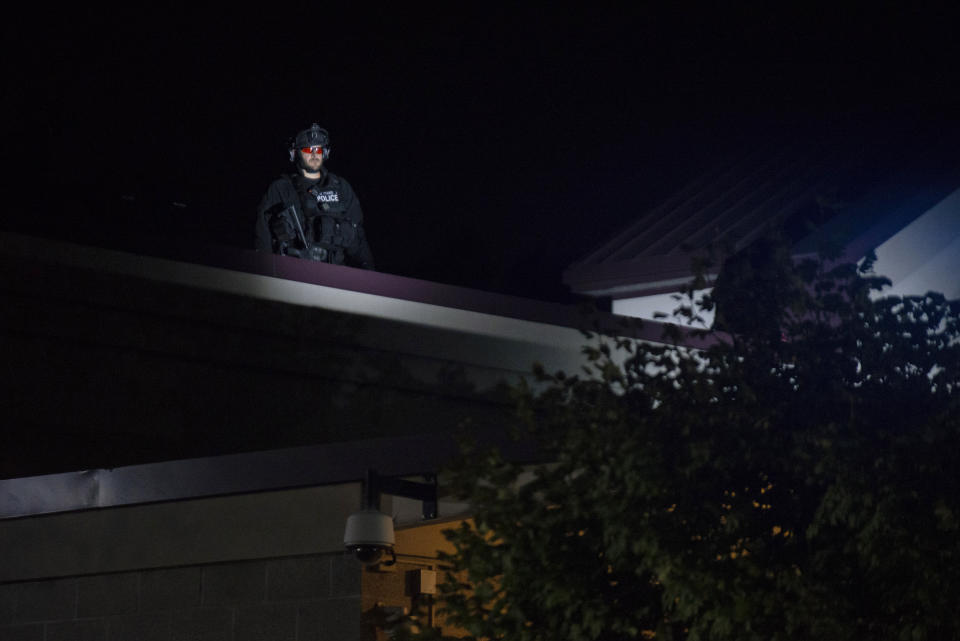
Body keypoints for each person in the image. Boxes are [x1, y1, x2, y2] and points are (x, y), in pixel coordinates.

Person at [256, 124, 374, 269]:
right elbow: (262, 236)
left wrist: (369, 272)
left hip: (337, 274)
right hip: (293, 271)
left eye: (318, 149)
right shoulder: (281, 188)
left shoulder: (341, 188)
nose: (314, 154)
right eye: (307, 149)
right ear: (295, 153)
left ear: (325, 153)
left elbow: (358, 237)